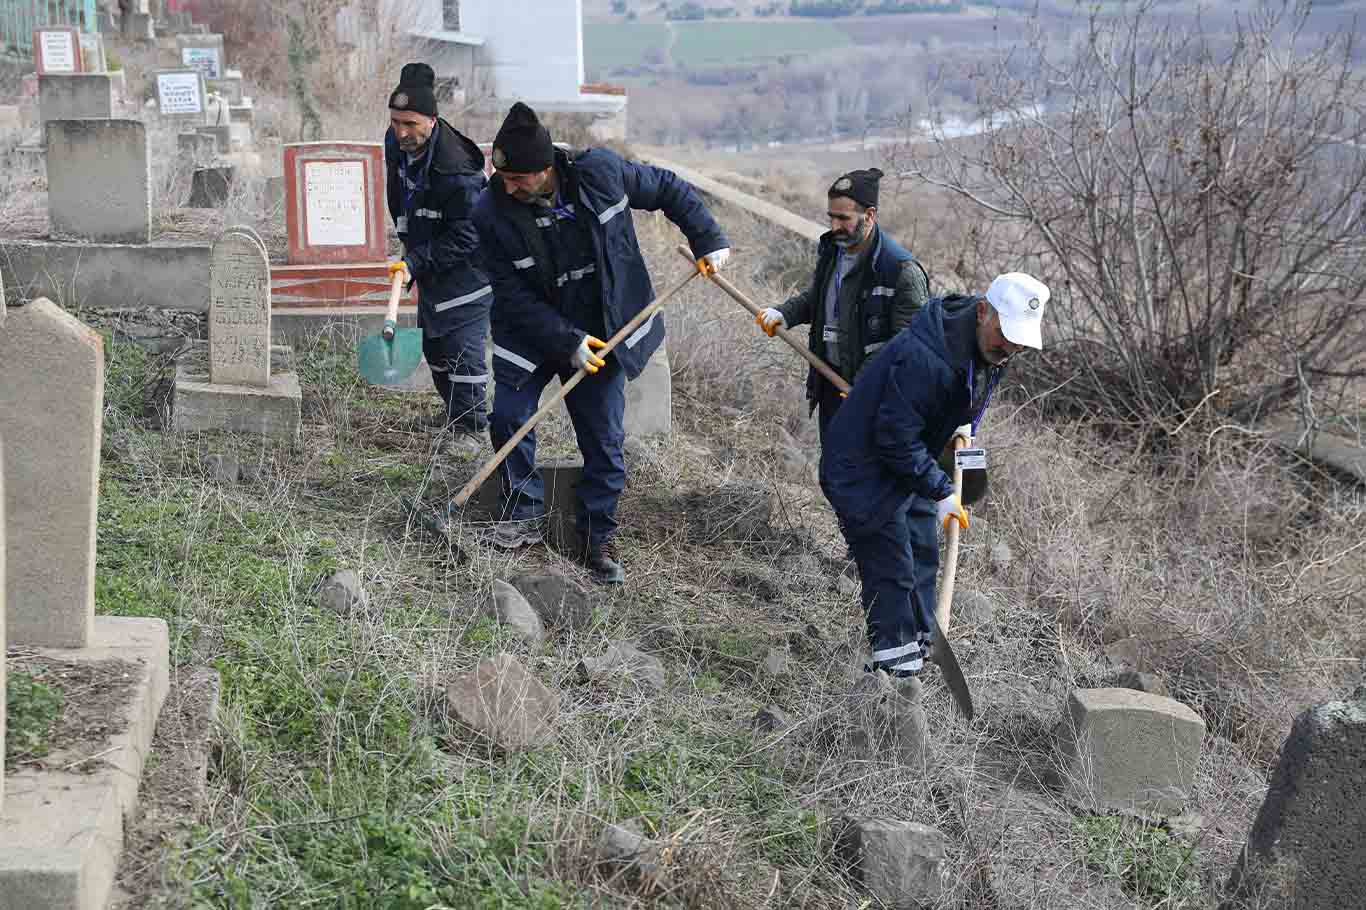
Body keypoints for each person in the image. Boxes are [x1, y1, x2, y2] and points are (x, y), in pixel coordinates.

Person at [472, 102, 729, 584]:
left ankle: (596, 537)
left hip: (604, 329)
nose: (507, 187)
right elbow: (509, 294)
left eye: (517, 179)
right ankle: (522, 518)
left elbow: (667, 188)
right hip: (529, 329)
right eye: (502, 178)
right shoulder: (490, 212)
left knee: (605, 442)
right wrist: (565, 341)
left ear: (545, 169)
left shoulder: (601, 173)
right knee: (509, 417)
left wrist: (707, 237)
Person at [819, 273, 1050, 678]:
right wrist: (941, 490)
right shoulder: (927, 358)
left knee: (924, 551)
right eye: (1005, 333)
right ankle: (896, 682)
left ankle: (921, 645)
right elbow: (892, 438)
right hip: (863, 469)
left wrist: (962, 427)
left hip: (911, 462)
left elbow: (956, 398)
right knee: (892, 570)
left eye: (1019, 339)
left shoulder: (987, 346)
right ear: (983, 312)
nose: (1010, 347)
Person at [755, 168, 929, 440]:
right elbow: (820, 297)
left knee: (862, 473)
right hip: (830, 383)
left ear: (869, 215)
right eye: (831, 217)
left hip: (874, 396)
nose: (834, 226)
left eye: (843, 218)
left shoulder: (901, 271)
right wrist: (784, 313)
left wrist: (863, 384)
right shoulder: (834, 250)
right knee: (832, 469)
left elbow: (906, 346)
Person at [384, 62, 492, 439]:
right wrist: (405, 234)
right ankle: (455, 416)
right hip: (430, 260)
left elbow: (470, 235)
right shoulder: (395, 142)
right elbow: (398, 189)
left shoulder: (457, 171)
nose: (401, 132)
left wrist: (416, 260)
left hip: (470, 271)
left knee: (462, 348)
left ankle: (474, 430)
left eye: (410, 124)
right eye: (396, 122)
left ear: (432, 120)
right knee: (434, 346)